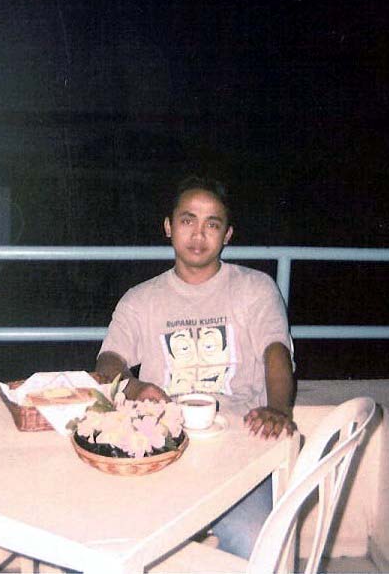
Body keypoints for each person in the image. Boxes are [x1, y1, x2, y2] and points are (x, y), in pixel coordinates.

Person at [93, 175, 296, 559]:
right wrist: (134, 388)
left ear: (227, 234)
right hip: (161, 447)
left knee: (256, 542)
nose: (199, 234)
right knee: (108, 538)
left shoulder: (255, 288)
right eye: (188, 220)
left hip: (239, 444)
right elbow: (108, 363)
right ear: (169, 227)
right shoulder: (140, 299)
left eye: (212, 224)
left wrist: (279, 409)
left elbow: (276, 354)